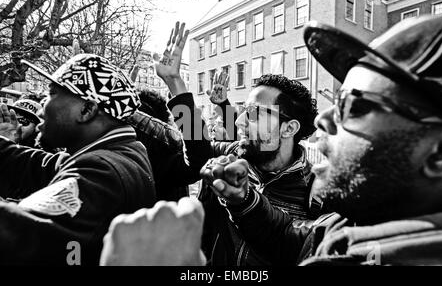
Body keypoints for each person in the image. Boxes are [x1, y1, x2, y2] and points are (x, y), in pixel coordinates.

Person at [201, 14, 442, 265]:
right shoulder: (348, 221)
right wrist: (243, 199)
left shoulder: (317, 194)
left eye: (352, 105)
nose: (324, 118)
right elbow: (289, 237)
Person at [157, 22, 318, 265]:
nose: (240, 120)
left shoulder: (314, 193)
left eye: (254, 113)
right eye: (243, 111)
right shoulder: (233, 153)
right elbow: (198, 148)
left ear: (289, 128)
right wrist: (174, 83)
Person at [0, 54, 156, 265]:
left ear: (87, 109)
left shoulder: (103, 171)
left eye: (51, 94)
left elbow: (20, 234)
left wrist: (179, 90)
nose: (41, 106)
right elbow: (35, 166)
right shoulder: (112, 153)